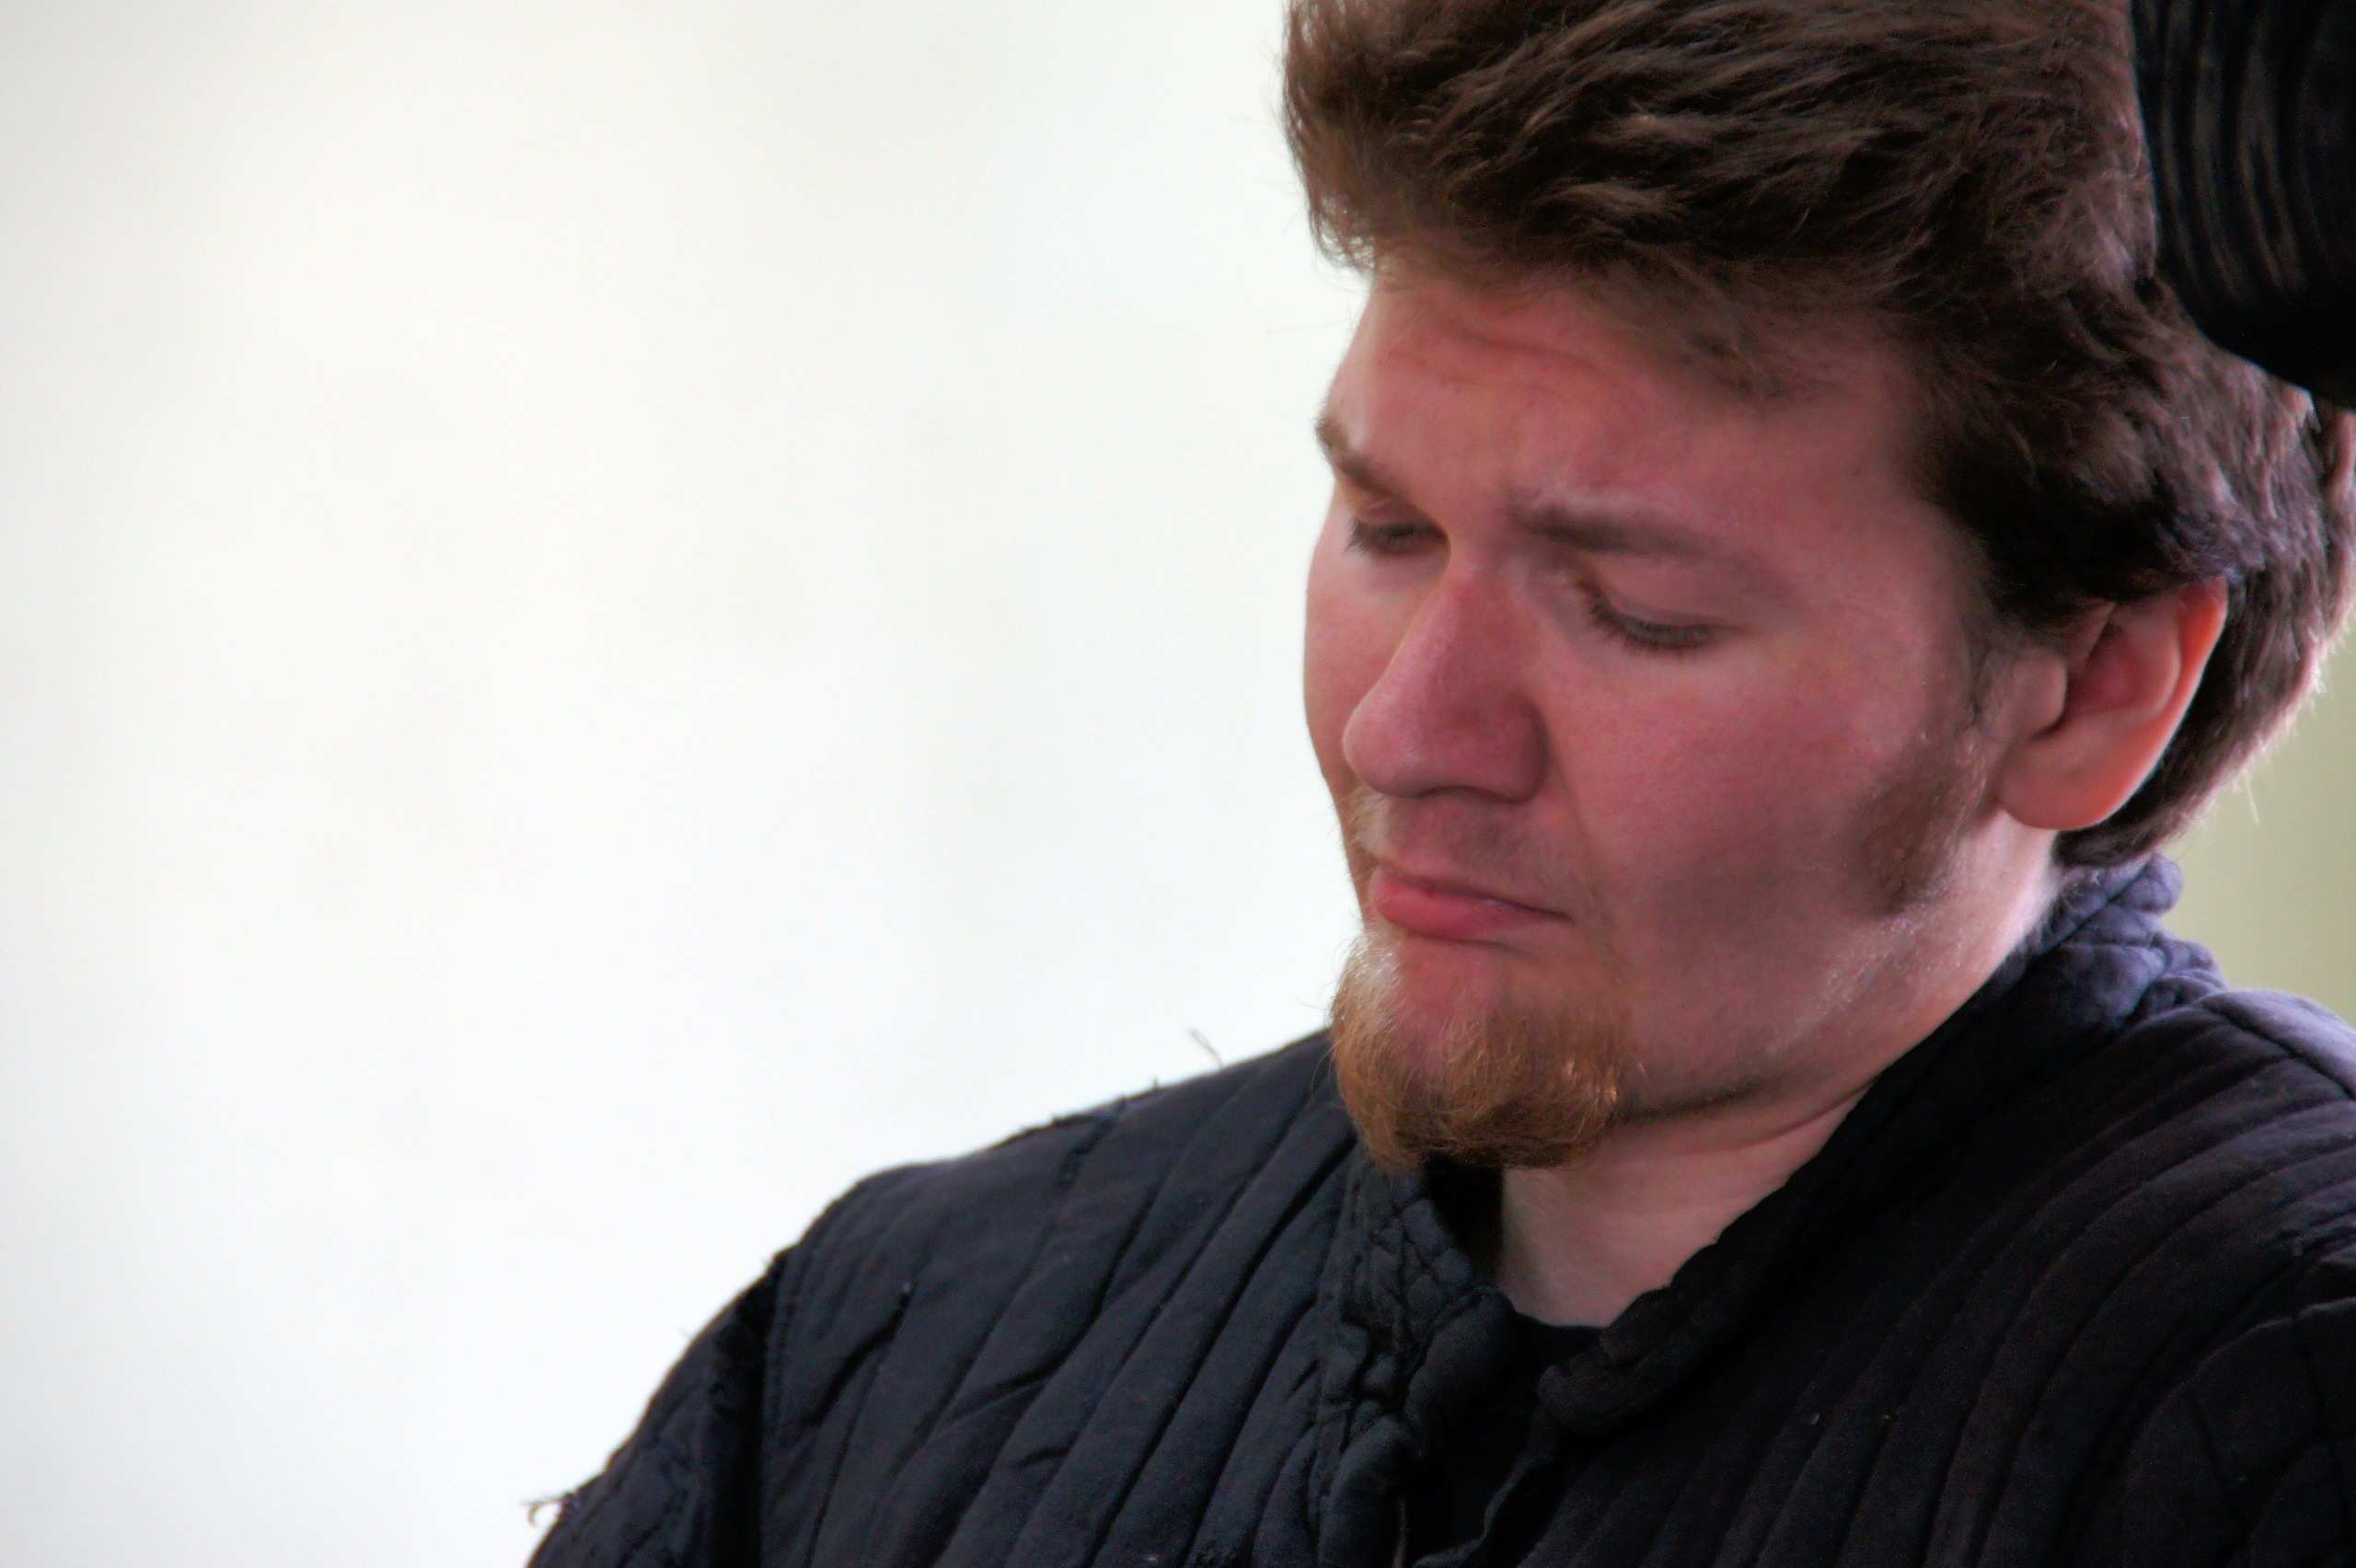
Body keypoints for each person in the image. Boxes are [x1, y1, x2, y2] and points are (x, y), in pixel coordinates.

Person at [528, 0, 2356, 1563]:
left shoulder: (2284, 1416)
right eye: (1386, 530)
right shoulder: (891, 1341)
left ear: (2092, 688)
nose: (1402, 733)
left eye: (1633, 612)